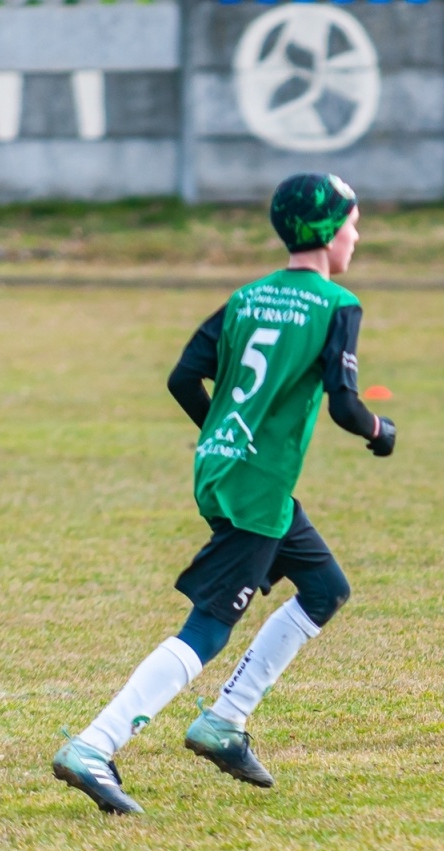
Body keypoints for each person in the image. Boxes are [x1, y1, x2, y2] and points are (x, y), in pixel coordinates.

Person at [52, 172, 396, 815]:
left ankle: (224, 722)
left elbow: (185, 378)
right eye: (351, 220)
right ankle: (94, 746)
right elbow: (348, 407)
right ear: (326, 230)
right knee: (208, 628)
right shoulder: (336, 304)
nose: (356, 232)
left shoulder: (246, 298)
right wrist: (382, 431)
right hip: (258, 487)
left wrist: (223, 438)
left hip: (222, 469)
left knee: (325, 590)